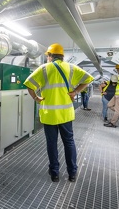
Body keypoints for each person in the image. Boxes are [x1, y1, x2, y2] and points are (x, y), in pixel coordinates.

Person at [24, 43, 94, 182]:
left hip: (49, 115)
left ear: (50, 56)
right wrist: (75, 92)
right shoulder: (71, 68)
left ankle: (55, 173)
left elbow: (28, 84)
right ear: (62, 56)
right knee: (69, 142)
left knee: (52, 143)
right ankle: (72, 173)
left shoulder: (43, 69)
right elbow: (88, 79)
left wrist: (36, 98)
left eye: (48, 56)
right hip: (65, 114)